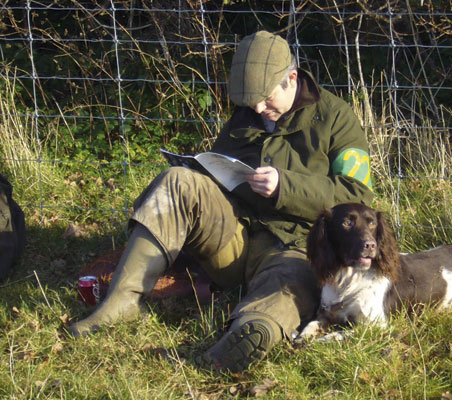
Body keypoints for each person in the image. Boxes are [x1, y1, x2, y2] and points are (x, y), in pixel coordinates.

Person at [69, 30, 374, 373]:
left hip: (296, 244)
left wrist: (285, 187)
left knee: (293, 280)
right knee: (178, 181)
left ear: (292, 78)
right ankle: (122, 301)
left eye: (265, 98)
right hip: (235, 238)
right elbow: (223, 172)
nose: (258, 108)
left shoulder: (335, 117)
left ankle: (249, 332)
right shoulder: (247, 115)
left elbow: (358, 195)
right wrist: (199, 173)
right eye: (250, 101)